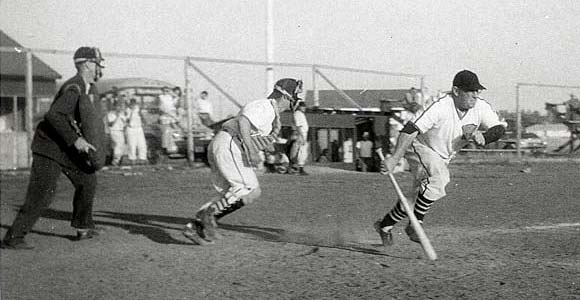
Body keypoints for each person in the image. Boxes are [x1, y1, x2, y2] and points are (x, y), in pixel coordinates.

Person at [374, 70, 506, 246]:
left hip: (443, 157)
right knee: (439, 177)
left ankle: (384, 226)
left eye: (477, 91)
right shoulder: (441, 106)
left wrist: (486, 137)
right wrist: (394, 158)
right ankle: (416, 225)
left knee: (417, 197)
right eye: (470, 91)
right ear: (456, 91)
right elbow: (410, 129)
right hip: (419, 147)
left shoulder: (480, 107)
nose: (475, 95)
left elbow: (499, 128)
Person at [1, 47, 107, 249]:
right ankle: (13, 238)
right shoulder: (74, 87)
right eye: (96, 64)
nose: (99, 68)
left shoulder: (85, 87)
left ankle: (83, 227)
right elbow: (54, 115)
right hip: (48, 147)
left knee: (88, 180)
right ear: (86, 65)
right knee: (42, 194)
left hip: (64, 148)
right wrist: (77, 141)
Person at [182, 78, 303, 245]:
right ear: (286, 95)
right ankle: (207, 216)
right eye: (295, 95)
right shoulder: (265, 106)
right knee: (247, 189)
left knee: (236, 193)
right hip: (231, 144)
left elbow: (256, 135)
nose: (296, 99)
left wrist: (274, 152)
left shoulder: (270, 112)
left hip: (226, 144)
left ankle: (194, 226)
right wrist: (251, 150)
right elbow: (243, 122)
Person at [288, 101, 309, 175]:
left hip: (302, 134)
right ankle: (299, 168)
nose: (304, 107)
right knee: (300, 152)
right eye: (302, 106)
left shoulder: (301, 114)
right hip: (300, 134)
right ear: (299, 106)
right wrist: (302, 137)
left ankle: (296, 168)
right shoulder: (297, 113)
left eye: (304, 106)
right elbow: (298, 126)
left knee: (299, 152)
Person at [125, 98, 148, 164]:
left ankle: (142, 159)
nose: (133, 105)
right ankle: (132, 160)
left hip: (139, 128)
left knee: (142, 144)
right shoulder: (127, 110)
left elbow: (144, 120)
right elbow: (127, 120)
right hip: (131, 128)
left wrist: (140, 113)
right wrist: (131, 112)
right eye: (131, 103)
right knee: (132, 145)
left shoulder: (138, 110)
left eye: (134, 103)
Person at [106, 101, 127, 166]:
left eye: (120, 106)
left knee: (122, 147)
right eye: (117, 106)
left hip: (121, 132)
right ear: (115, 107)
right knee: (117, 146)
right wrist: (116, 117)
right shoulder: (110, 114)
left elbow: (124, 125)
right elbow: (110, 124)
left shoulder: (122, 114)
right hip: (114, 131)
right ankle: (115, 161)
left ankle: (118, 161)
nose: (119, 108)